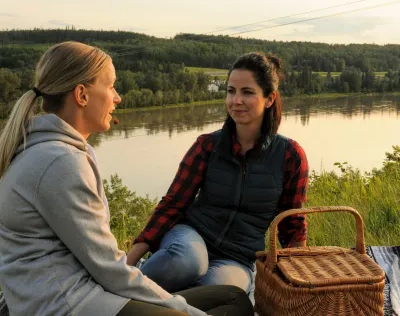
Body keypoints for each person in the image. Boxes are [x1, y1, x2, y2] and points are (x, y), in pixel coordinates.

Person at [0, 41, 254, 316]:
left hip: (79, 293)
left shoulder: (42, 148)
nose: (117, 97)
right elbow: (109, 269)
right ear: (82, 94)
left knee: (233, 298)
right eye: (111, 86)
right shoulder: (60, 161)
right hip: (69, 305)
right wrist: (185, 312)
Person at [127, 52, 309, 294]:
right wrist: (126, 263)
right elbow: (172, 205)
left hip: (238, 257)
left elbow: (291, 223)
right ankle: (127, 292)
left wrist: (303, 282)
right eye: (231, 91)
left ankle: (163, 306)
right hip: (190, 238)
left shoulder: (290, 156)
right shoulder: (208, 146)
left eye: (247, 92)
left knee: (222, 292)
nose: (236, 100)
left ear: (269, 99)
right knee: (187, 263)